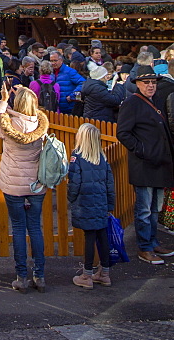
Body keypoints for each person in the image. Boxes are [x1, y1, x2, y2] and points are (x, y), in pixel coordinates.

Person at [0, 83, 49, 291]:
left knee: (18, 229)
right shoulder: (40, 125)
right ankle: (39, 275)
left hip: (13, 184)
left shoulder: (9, 125)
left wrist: (4, 100)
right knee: (35, 228)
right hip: (35, 185)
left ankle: (22, 276)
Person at [117, 64, 174, 265]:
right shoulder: (131, 103)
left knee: (155, 208)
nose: (151, 85)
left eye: (153, 82)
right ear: (137, 84)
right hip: (144, 165)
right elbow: (122, 133)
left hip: (159, 163)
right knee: (144, 210)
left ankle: (153, 242)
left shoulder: (156, 100)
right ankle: (145, 248)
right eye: (146, 82)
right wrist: (142, 151)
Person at [68, 123, 116, 288]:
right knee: (102, 236)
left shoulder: (77, 157)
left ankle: (87, 275)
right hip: (101, 203)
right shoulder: (102, 158)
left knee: (89, 237)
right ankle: (105, 273)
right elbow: (110, 183)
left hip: (85, 203)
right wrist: (110, 204)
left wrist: (71, 198)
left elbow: (74, 183)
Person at [49, 50, 86, 115]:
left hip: (68, 109)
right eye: (51, 61)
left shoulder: (69, 72)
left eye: (55, 60)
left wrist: (73, 96)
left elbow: (83, 83)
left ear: (61, 60)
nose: (53, 63)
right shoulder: (50, 73)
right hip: (55, 108)